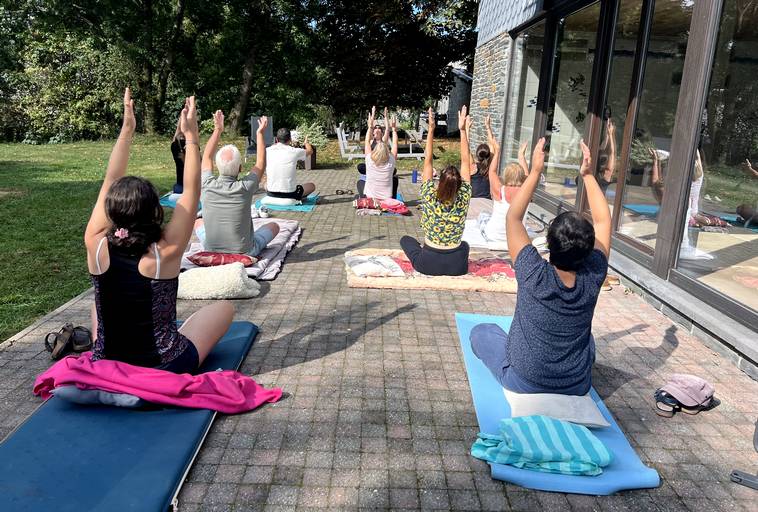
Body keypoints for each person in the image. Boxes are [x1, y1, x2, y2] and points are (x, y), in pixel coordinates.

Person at [84, 89, 234, 374]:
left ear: (111, 210)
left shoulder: (95, 242)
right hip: (165, 365)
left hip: (107, 360)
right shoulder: (166, 250)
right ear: (154, 210)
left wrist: (127, 129)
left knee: (96, 305)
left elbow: (111, 179)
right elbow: (191, 191)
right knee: (224, 309)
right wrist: (191, 137)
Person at [470, 138, 611, 395]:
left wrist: (534, 172)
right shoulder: (594, 274)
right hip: (576, 384)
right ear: (589, 249)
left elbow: (514, 217)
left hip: (523, 380)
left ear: (549, 243)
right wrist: (588, 175)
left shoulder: (533, 272)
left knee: (481, 332)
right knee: (588, 341)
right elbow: (603, 221)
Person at [399, 106, 472, 276]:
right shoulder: (465, 195)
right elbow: (466, 161)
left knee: (406, 240)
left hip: (428, 263)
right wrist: (463, 131)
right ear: (459, 184)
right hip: (457, 266)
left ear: (440, 182)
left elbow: (428, 161)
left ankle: (423, 253)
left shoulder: (429, 195)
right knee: (465, 245)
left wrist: (431, 130)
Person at [194, 110, 279, 256]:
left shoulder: (206, 183)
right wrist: (259, 133)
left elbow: (206, 157)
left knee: (197, 222)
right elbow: (260, 162)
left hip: (211, 250)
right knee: (274, 226)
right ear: (240, 168)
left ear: (217, 166)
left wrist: (218, 129)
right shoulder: (246, 186)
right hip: (245, 252)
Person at [477, 115, 529, 245]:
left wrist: (497, 151)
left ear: (506, 176)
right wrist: (521, 156)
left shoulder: (500, 191)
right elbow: (527, 176)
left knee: (483, 215)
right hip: (517, 239)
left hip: (494, 236)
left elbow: (492, 171)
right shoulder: (526, 192)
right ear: (522, 177)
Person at [357, 106, 398, 198]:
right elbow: (395, 144)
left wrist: (386, 117)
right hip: (377, 164)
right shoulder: (372, 141)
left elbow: (387, 129)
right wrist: (394, 129)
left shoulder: (383, 140)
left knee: (360, 181)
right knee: (360, 166)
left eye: (379, 128)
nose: (378, 128)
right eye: (376, 127)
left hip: (374, 165)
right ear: (373, 132)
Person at [265, 127, 316, 201]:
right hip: (290, 194)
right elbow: (310, 151)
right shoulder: (294, 151)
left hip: (271, 193)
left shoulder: (268, 150)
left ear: (276, 139)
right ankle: (299, 197)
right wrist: (306, 143)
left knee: (264, 180)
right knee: (312, 186)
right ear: (290, 140)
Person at [170, 117, 186, 194]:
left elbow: (178, 131)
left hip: (183, 186)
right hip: (182, 186)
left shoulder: (176, 146)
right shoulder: (176, 146)